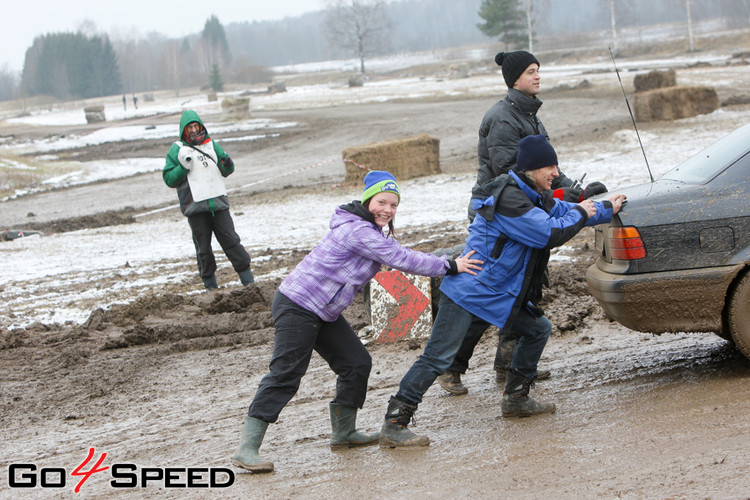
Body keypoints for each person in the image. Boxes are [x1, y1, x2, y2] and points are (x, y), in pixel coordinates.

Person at [380, 135, 626, 447]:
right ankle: (395, 422)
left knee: (538, 329)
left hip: (498, 291)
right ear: (532, 169)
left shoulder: (533, 194)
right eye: (550, 166)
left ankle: (516, 398)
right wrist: (584, 213)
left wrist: (605, 207)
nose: (555, 172)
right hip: (471, 288)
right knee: (437, 358)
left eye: (556, 165)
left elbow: (562, 209)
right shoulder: (510, 199)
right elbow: (546, 233)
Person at [232, 170, 483, 472]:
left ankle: (344, 433)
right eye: (382, 202)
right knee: (286, 373)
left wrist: (444, 262)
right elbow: (401, 258)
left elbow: (397, 254)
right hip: (298, 305)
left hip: (324, 311)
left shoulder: (370, 231)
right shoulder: (357, 231)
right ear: (367, 200)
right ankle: (247, 448)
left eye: (393, 205)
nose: (387, 210)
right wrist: (450, 266)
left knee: (356, 363)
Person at [439, 50, 609, 394]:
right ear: (514, 79)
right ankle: (451, 367)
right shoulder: (502, 118)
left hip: (526, 206)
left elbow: (545, 166)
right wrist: (562, 201)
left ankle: (510, 365)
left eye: (538, 71)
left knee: (523, 290)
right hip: (500, 211)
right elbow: (512, 175)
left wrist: (575, 191)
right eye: (531, 71)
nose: (538, 76)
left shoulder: (529, 114)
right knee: (488, 292)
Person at [163, 110, 255, 289]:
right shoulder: (177, 149)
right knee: (203, 249)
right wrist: (183, 168)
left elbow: (226, 168)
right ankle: (210, 286)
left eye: (196, 126)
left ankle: (248, 282)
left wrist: (228, 165)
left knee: (232, 242)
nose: (194, 130)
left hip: (218, 205)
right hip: (196, 209)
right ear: (184, 130)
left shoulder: (212, 145)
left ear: (201, 126)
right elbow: (168, 179)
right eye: (190, 127)